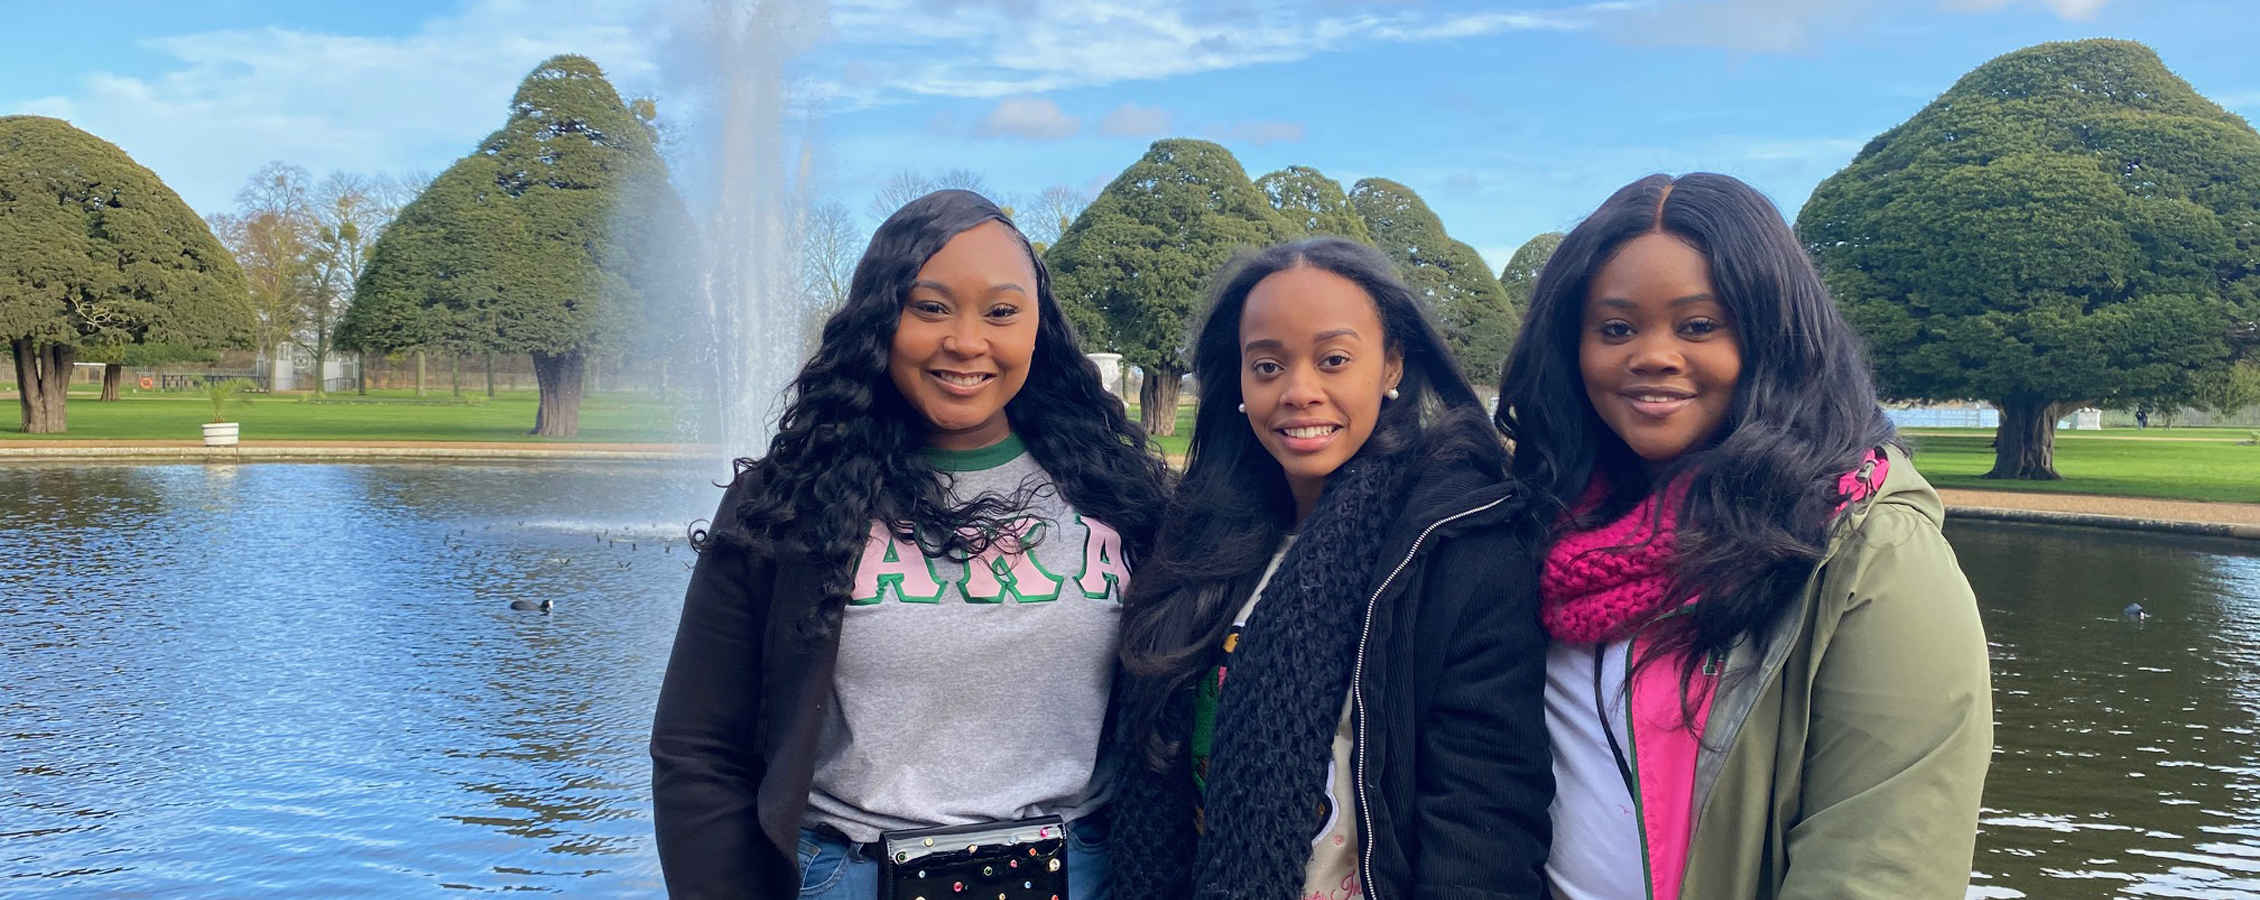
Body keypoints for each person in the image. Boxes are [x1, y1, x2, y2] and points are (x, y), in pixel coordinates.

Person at [651, 190, 1171, 900]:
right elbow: (697, 749)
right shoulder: (789, 503)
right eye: (930, 307)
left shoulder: (1123, 495)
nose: (965, 340)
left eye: (1001, 311)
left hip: (1082, 877)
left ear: (1038, 328)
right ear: (880, 319)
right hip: (847, 878)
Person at [1494, 172, 1991, 900]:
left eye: (1698, 326)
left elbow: (1880, 867)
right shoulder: (1543, 532)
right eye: (1616, 328)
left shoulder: (1871, 555)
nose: (1653, 355)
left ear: (1771, 340)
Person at [1110, 237, 1552, 900]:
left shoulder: (1454, 546)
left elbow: (1481, 826)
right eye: (1267, 366)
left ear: (1391, 364)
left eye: (1334, 359)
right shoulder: (1201, 542)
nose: (1299, 392)